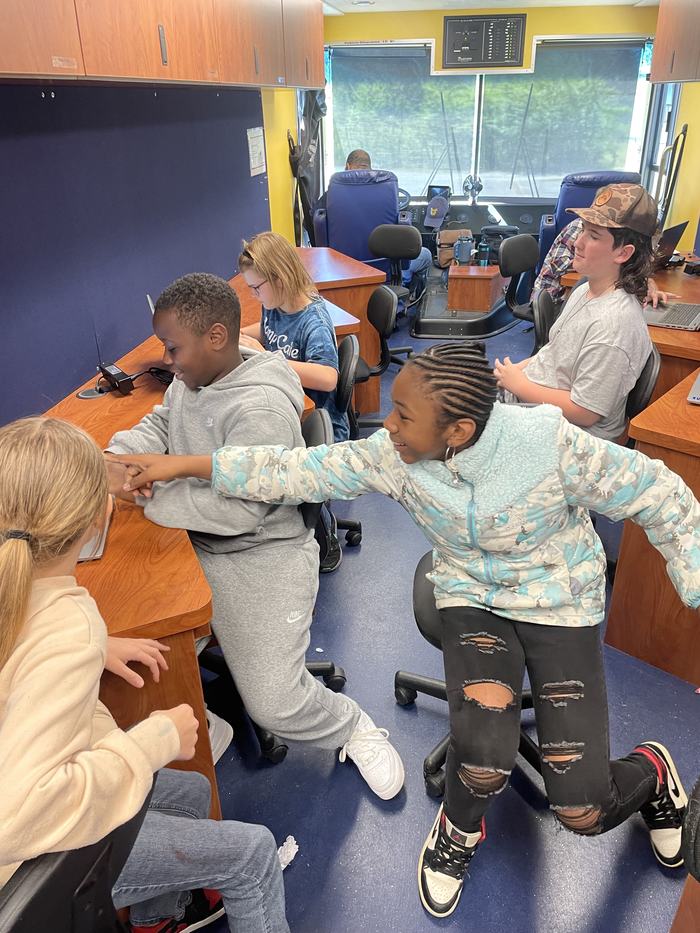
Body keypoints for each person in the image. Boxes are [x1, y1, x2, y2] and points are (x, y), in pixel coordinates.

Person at [113, 340, 699, 921]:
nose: (386, 425)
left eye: (403, 416)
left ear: (459, 431)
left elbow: (660, 492)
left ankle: (653, 770)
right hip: (472, 596)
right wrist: (181, 466)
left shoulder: (547, 444)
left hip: (558, 599)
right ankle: (458, 829)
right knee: (481, 763)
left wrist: (694, 578)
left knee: (582, 811)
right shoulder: (393, 455)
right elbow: (295, 470)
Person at [105, 272, 404, 803]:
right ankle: (205, 723)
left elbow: (242, 513)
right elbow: (161, 423)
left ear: (216, 338)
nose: (168, 361)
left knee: (275, 705)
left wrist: (146, 496)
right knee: (137, 653)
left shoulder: (259, 406)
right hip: (196, 536)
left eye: (173, 349)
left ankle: (350, 725)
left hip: (259, 550)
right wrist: (121, 457)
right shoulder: (193, 377)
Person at [0, 416, 288, 933]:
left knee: (193, 792)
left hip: (33, 811)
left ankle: (159, 920)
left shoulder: (18, 589)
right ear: (98, 518)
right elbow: (18, 816)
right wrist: (154, 738)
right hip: (28, 869)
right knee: (253, 854)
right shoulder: (67, 626)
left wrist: (95, 651)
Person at [495, 183, 657, 442]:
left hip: (568, 433)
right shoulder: (585, 289)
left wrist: (519, 384)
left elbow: (584, 412)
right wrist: (515, 371)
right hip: (535, 401)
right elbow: (556, 353)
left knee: (442, 425)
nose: (577, 242)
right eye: (582, 230)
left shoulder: (613, 326)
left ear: (624, 253)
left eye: (593, 236)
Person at [238, 231, 349, 441]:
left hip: (317, 426)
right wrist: (239, 336)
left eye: (256, 288)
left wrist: (266, 358)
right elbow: (267, 329)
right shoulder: (275, 303)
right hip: (286, 400)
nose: (253, 295)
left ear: (279, 280)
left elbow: (328, 379)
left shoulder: (314, 322)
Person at [318, 149, 433, 296]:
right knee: (426, 254)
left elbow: (317, 230)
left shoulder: (331, 194)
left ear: (347, 166)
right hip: (383, 273)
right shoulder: (387, 187)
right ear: (369, 167)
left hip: (341, 272)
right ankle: (405, 292)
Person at [533, 216, 675, 307]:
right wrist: (601, 260)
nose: (578, 243)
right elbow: (558, 263)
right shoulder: (583, 226)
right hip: (553, 296)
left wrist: (647, 282)